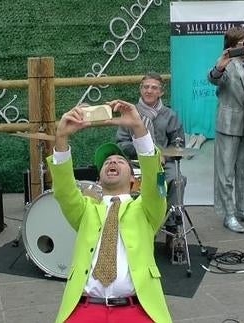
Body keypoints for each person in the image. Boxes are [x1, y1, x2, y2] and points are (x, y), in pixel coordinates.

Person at [48, 100, 171, 323]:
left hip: (136, 309)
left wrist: (138, 129)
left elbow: (155, 184)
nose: (112, 161)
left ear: (134, 179)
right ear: (99, 177)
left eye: (120, 161)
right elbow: (64, 190)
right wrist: (62, 138)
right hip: (85, 308)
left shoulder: (146, 209)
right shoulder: (85, 210)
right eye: (107, 162)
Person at [116, 72, 185, 236]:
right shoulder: (130, 113)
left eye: (154, 88)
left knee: (177, 180)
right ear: (141, 90)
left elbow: (178, 143)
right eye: (146, 87)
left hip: (162, 164)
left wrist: (163, 155)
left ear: (161, 92)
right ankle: (125, 226)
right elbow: (121, 143)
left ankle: (172, 227)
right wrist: (143, 151)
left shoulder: (170, 115)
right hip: (134, 163)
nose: (149, 91)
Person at [206, 27, 244, 233]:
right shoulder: (226, 66)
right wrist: (220, 65)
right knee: (225, 173)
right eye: (243, 44)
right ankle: (228, 214)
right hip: (228, 124)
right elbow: (213, 78)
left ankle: (242, 209)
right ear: (232, 46)